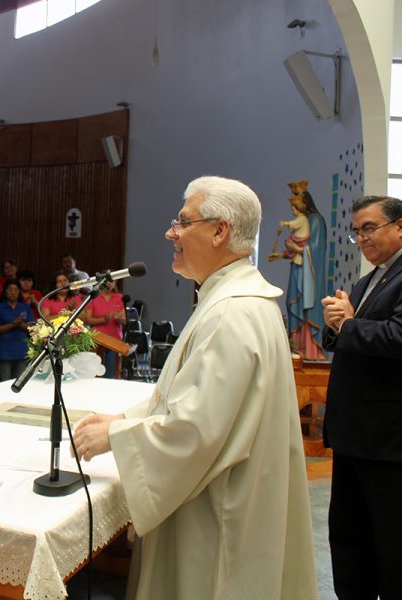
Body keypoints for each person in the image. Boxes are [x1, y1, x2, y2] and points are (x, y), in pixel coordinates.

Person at [72, 176, 317, 599]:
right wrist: (126, 418)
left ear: (220, 230)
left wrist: (115, 435)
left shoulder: (231, 314)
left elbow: (194, 430)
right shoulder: (239, 300)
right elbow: (192, 397)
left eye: (183, 222)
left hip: (215, 521)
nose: (172, 232)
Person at [321, 196, 402, 600]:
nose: (361, 238)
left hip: (392, 435)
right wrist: (335, 325)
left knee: (396, 541)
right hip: (355, 431)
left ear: (400, 227)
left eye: (369, 228)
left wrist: (349, 324)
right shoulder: (372, 278)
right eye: (356, 231)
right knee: (348, 534)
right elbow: (351, 336)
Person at [268, 181, 327, 360]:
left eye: (296, 204)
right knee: (293, 302)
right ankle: (296, 347)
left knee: (307, 305)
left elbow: (317, 247)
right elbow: (293, 248)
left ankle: (310, 349)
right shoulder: (303, 221)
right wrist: (279, 256)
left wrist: (298, 247)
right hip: (297, 270)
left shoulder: (316, 220)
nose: (293, 209)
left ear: (305, 203)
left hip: (309, 273)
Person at [82, 280, 126, 378]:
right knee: (95, 372)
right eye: (106, 281)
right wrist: (103, 319)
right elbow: (88, 320)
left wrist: (120, 319)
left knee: (111, 372)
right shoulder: (93, 297)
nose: (109, 284)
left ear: (114, 284)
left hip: (114, 340)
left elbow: (125, 320)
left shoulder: (120, 297)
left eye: (111, 281)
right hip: (96, 340)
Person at [0, 279, 34, 381]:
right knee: (4, 382)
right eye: (10, 290)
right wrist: (12, 324)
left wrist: (20, 324)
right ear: (5, 292)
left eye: (16, 290)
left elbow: (33, 328)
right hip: (4, 351)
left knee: (20, 382)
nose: (13, 292)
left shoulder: (24, 306)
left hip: (22, 350)